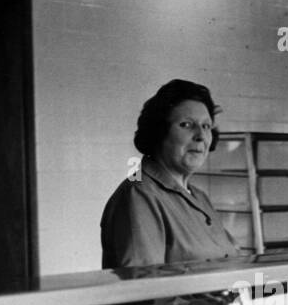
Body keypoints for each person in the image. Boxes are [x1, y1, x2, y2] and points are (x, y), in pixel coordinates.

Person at [100, 79, 241, 269]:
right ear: (159, 132)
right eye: (186, 125)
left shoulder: (199, 197)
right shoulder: (140, 195)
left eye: (206, 126)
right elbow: (146, 290)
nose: (200, 135)